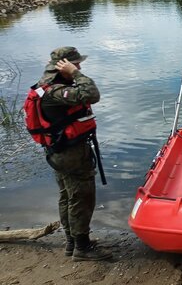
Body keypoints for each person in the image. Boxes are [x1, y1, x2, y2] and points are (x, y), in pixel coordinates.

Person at [35, 47, 112, 261]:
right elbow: (92, 94)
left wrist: (73, 73)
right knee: (81, 197)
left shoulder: (47, 85)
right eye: (75, 64)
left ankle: (71, 243)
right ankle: (82, 248)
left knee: (68, 196)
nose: (79, 67)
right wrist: (76, 74)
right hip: (70, 154)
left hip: (60, 151)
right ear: (63, 65)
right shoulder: (57, 90)